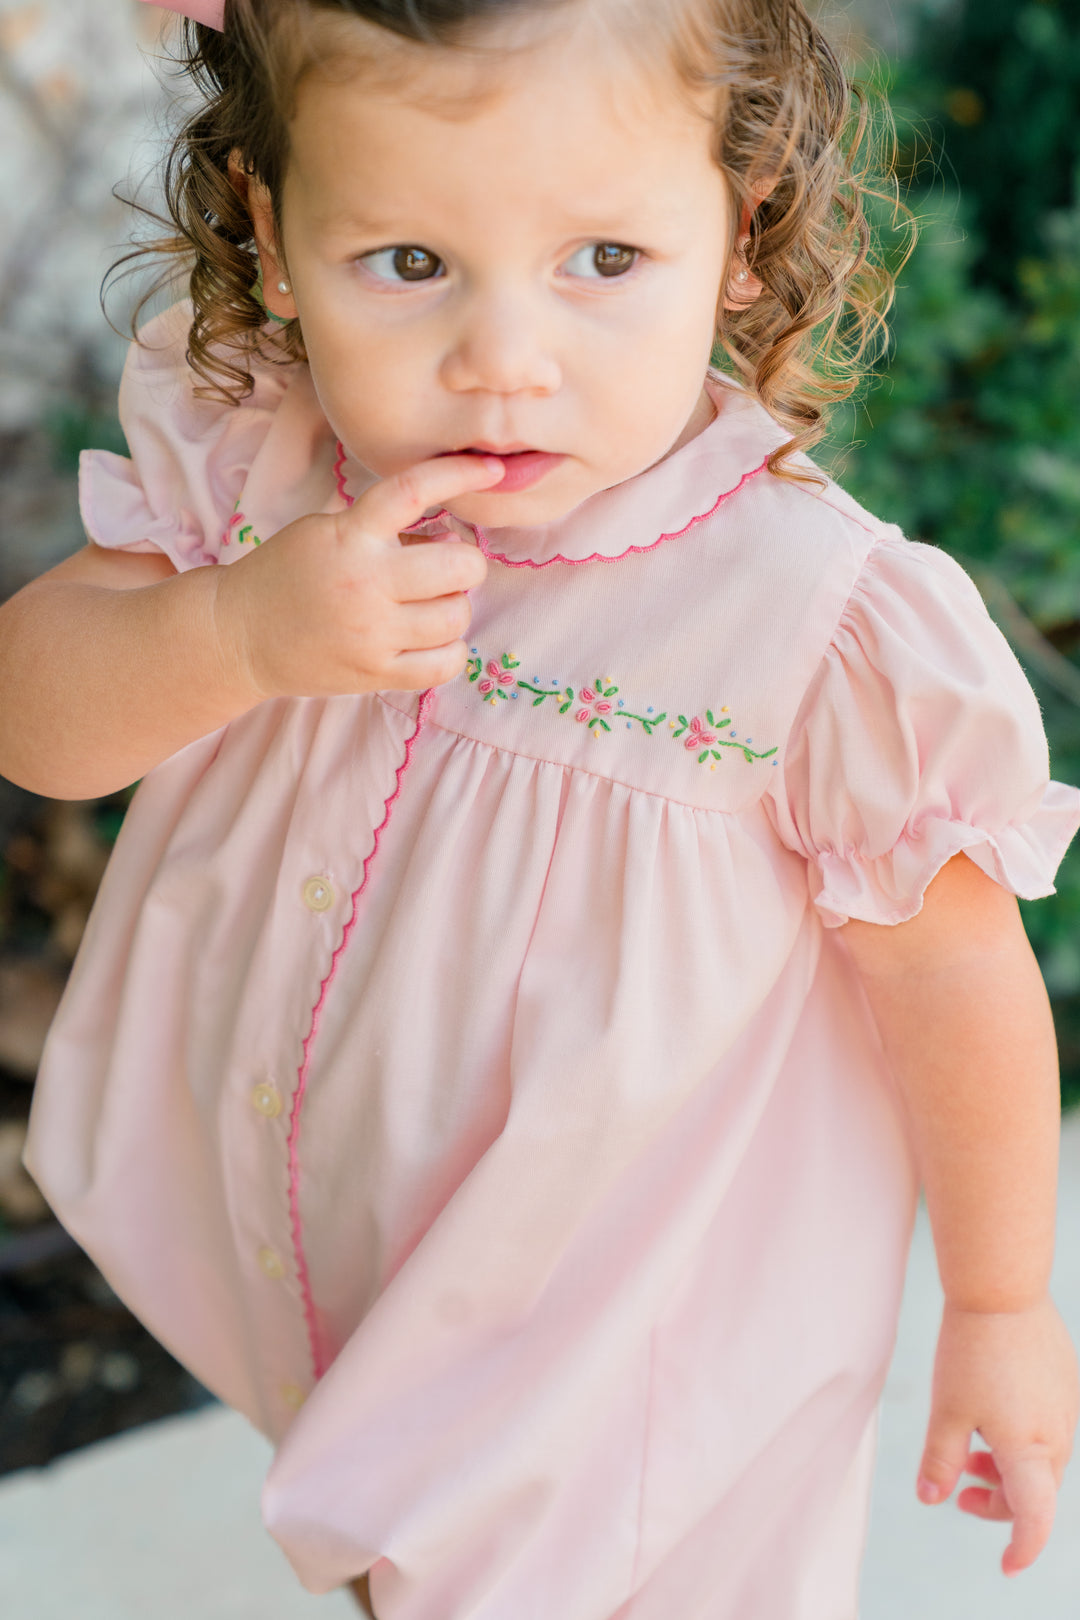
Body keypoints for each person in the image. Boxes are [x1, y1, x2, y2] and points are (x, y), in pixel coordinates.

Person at [5, 0, 1079, 1614]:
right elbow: (42, 719)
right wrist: (229, 634)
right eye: (412, 264)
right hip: (352, 1255)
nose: (504, 360)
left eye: (603, 262)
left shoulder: (808, 624)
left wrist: (1000, 1303)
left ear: (742, 231)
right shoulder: (267, 459)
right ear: (271, 234)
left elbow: (953, 973)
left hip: (633, 1341)